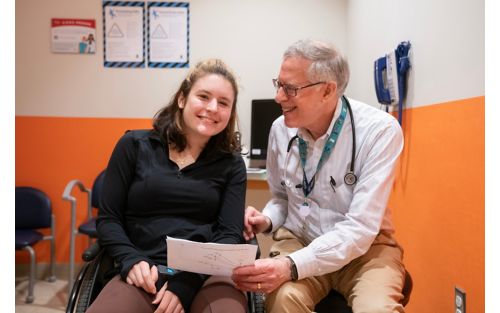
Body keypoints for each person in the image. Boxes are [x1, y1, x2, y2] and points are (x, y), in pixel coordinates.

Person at [232, 39, 406, 313]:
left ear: (327, 91)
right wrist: (266, 219)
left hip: (366, 250)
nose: (278, 97)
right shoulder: (280, 129)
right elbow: (280, 197)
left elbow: (360, 228)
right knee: (282, 301)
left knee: (377, 309)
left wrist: (290, 266)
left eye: (290, 89)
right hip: (300, 239)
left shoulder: (379, 131)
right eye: (278, 84)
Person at [87, 59, 248, 313]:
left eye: (223, 102)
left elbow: (229, 235)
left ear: (230, 113)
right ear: (182, 99)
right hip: (143, 269)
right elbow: (109, 219)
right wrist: (131, 259)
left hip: (205, 275)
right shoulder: (134, 145)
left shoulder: (232, 164)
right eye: (203, 96)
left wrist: (186, 282)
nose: (212, 108)